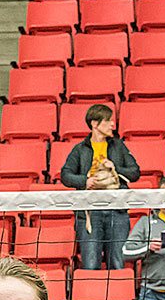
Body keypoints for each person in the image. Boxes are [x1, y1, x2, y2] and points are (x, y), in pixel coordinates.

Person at [60, 104, 141, 271]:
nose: (112, 124)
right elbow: (65, 175)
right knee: (90, 264)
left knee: (118, 263)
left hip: (116, 211)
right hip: (90, 213)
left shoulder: (119, 146)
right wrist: (85, 181)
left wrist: (115, 168)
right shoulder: (80, 149)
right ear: (94, 124)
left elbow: (135, 172)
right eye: (108, 120)